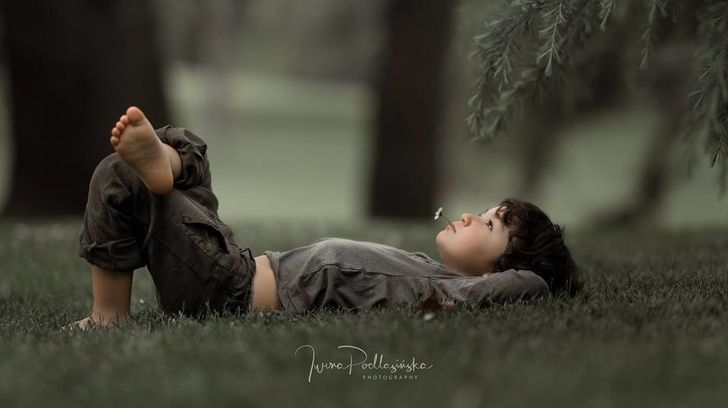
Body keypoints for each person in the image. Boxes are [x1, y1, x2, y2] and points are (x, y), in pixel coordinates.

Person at [73, 106, 584, 329]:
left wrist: (544, 272)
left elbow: (532, 285)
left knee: (119, 176)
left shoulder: (452, 294)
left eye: (490, 225)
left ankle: (108, 316)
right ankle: (170, 160)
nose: (471, 215)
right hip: (234, 264)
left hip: (225, 289)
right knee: (189, 148)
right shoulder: (429, 272)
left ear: (500, 272)